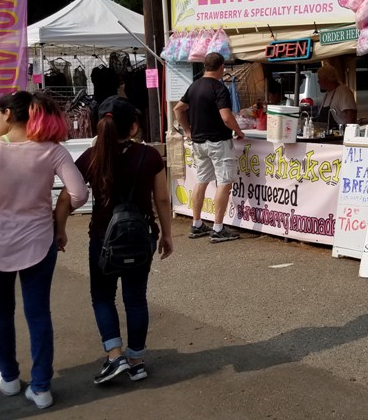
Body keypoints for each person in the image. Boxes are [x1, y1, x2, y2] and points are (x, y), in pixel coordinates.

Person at [56, 96, 173, 385]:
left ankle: (114, 356)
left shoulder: (90, 157)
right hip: (141, 236)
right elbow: (161, 198)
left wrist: (60, 228)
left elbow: (66, 197)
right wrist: (167, 234)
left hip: (102, 239)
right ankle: (136, 360)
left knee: (102, 297)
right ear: (133, 127)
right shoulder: (150, 156)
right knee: (135, 299)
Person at [0, 91, 88, 410]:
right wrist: (59, 224)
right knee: (38, 313)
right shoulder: (53, 151)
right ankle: (41, 387)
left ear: (6, 114)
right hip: (39, 242)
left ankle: (10, 377)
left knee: (1, 313)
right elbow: (79, 194)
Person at [173, 52, 244, 243]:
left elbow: (178, 109)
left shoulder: (194, 86)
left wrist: (188, 130)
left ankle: (197, 224)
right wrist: (239, 131)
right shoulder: (219, 87)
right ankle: (218, 228)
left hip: (199, 142)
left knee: (202, 180)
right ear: (221, 67)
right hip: (218, 142)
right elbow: (226, 117)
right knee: (224, 182)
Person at [316, 65, 357, 129]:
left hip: (339, 134)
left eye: (319, 78)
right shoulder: (327, 94)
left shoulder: (343, 91)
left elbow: (351, 114)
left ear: (327, 79)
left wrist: (348, 133)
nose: (318, 81)